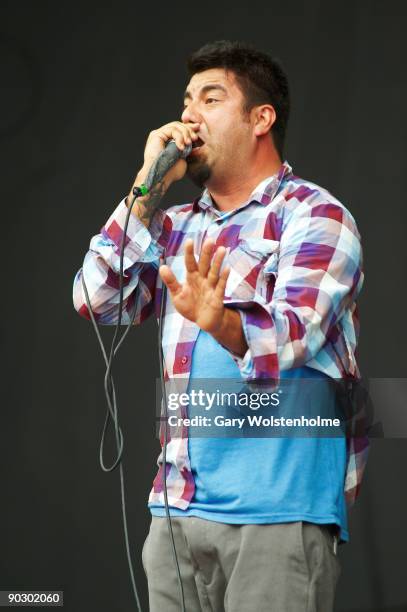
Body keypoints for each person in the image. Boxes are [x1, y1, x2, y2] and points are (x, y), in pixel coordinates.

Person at [73, 40, 368, 612]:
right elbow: (94, 295)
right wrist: (146, 186)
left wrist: (224, 322)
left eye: (211, 98)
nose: (189, 115)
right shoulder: (173, 224)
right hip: (175, 517)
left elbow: (298, 332)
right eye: (186, 101)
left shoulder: (315, 215)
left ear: (261, 118)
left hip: (277, 515)